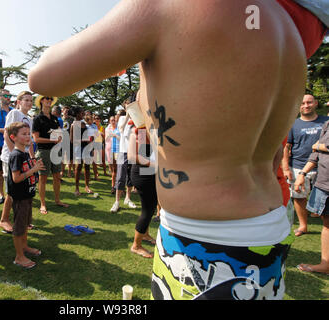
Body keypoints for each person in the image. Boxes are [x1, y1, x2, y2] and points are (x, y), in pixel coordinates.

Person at [28, 0, 328, 300]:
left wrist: (124, 43)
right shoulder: (285, 25)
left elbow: (43, 77)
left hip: (204, 240)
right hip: (269, 225)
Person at [282, 94, 329, 237]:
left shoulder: (325, 121)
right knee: (299, 197)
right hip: (298, 165)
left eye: (309, 102)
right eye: (302, 103)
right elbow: (286, 146)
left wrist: (319, 147)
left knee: (322, 199)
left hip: (322, 167)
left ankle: (323, 222)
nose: (306, 105)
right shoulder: (293, 124)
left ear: (315, 103)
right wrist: (285, 168)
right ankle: (303, 226)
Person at [6, 122, 44, 269]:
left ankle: (25, 247)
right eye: (24, 134)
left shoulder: (25, 153)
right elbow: (16, 178)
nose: (28, 136)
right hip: (20, 197)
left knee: (25, 224)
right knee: (19, 226)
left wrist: (35, 165)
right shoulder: (16, 155)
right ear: (13, 137)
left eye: (28, 133)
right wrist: (34, 169)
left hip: (27, 195)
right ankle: (19, 256)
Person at [294, 121, 329, 275]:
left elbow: (320, 147)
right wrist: (302, 174)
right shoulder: (327, 124)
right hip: (324, 182)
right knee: (327, 223)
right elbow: (315, 154)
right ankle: (326, 264)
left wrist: (320, 146)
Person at [0, 91, 35, 234]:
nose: (29, 103)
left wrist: (31, 157)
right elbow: (6, 133)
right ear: (19, 102)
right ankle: (4, 220)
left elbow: (29, 141)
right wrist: (15, 153)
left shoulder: (29, 119)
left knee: (20, 190)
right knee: (11, 192)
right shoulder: (14, 114)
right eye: (26, 100)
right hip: (11, 157)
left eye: (31, 100)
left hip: (23, 156)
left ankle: (21, 221)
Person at [32, 95, 69, 214]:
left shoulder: (54, 118)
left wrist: (59, 137)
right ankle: (43, 204)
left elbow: (58, 134)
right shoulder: (37, 118)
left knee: (57, 177)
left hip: (56, 151)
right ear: (41, 101)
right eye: (47, 98)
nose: (49, 100)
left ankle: (57, 200)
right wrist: (52, 141)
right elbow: (36, 139)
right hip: (43, 151)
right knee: (43, 178)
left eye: (51, 99)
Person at [127, 118, 157, 258]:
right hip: (141, 175)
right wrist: (154, 165)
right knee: (148, 209)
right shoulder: (136, 132)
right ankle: (136, 246)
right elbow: (132, 156)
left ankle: (145, 235)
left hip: (151, 174)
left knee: (150, 206)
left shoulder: (154, 130)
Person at [110, 103, 137, 213]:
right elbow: (121, 129)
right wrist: (127, 115)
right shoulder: (121, 118)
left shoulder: (137, 118)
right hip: (123, 151)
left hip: (133, 151)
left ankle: (127, 198)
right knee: (120, 176)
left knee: (131, 176)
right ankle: (117, 202)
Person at [70, 106, 93, 196]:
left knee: (87, 167)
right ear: (76, 114)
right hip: (78, 148)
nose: (83, 114)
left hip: (86, 147)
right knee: (78, 167)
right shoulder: (73, 124)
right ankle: (77, 188)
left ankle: (87, 186)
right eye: (81, 113)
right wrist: (83, 140)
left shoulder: (84, 123)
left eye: (83, 112)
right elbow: (72, 140)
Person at [105, 115, 119, 194]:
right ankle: (113, 186)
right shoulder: (107, 128)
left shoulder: (118, 128)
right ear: (109, 121)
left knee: (117, 169)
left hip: (117, 150)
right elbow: (106, 139)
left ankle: (116, 186)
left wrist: (115, 135)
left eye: (114, 120)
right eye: (111, 120)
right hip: (110, 150)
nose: (113, 122)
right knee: (113, 169)